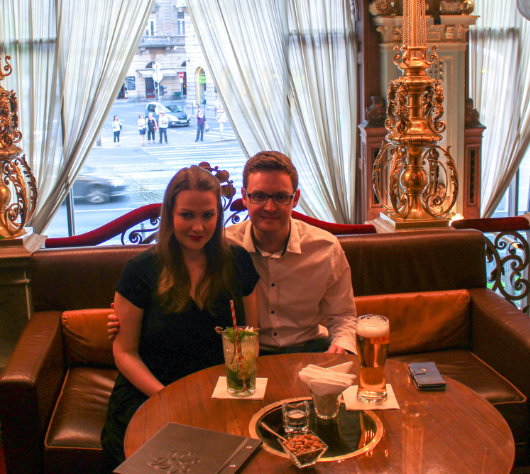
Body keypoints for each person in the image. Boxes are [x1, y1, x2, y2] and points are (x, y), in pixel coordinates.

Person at [108, 151, 356, 356]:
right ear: (244, 197)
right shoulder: (220, 248)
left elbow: (343, 316)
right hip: (245, 355)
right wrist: (126, 319)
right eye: (259, 196)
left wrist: (341, 346)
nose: (269, 207)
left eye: (281, 197)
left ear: (295, 198)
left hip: (309, 350)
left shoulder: (326, 248)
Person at [100, 166, 259, 472]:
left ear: (218, 215)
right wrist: (168, 397)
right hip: (150, 395)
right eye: (187, 215)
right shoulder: (140, 270)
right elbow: (124, 352)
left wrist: (236, 390)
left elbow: (250, 335)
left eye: (208, 215)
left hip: (217, 395)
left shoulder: (238, 261)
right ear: (170, 214)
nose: (198, 226)